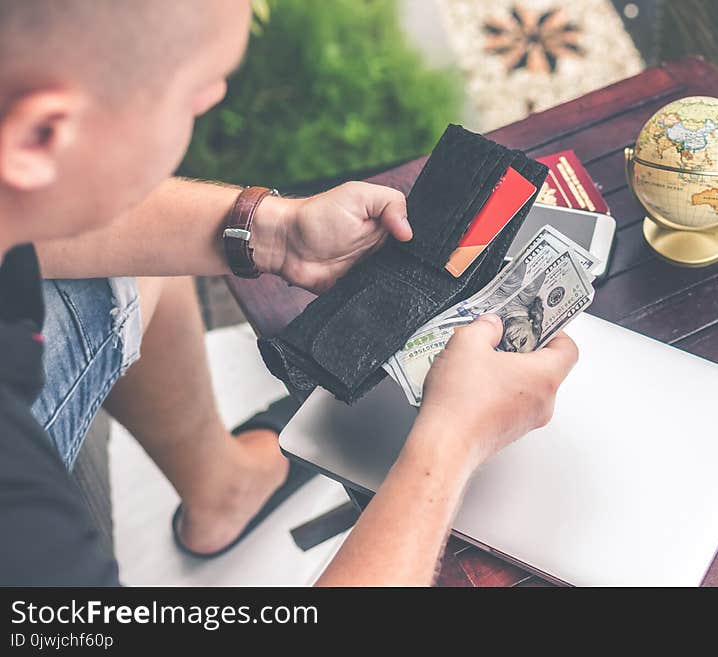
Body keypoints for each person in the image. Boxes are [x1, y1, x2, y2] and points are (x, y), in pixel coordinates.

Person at [0, 0, 577, 586]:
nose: (214, 98)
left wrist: (275, 235)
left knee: (126, 268)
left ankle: (225, 490)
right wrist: (452, 440)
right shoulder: (19, 524)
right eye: (195, 90)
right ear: (39, 134)